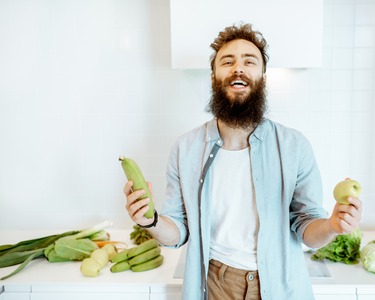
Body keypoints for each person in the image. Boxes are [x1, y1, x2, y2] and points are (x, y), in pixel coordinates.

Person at [124, 23, 363, 300]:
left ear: (262, 76)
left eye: (249, 61)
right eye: (228, 61)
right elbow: (177, 231)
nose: (238, 68)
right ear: (214, 76)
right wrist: (149, 220)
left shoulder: (294, 146)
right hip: (215, 285)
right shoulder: (185, 148)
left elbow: (308, 228)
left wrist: (334, 225)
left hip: (280, 286)